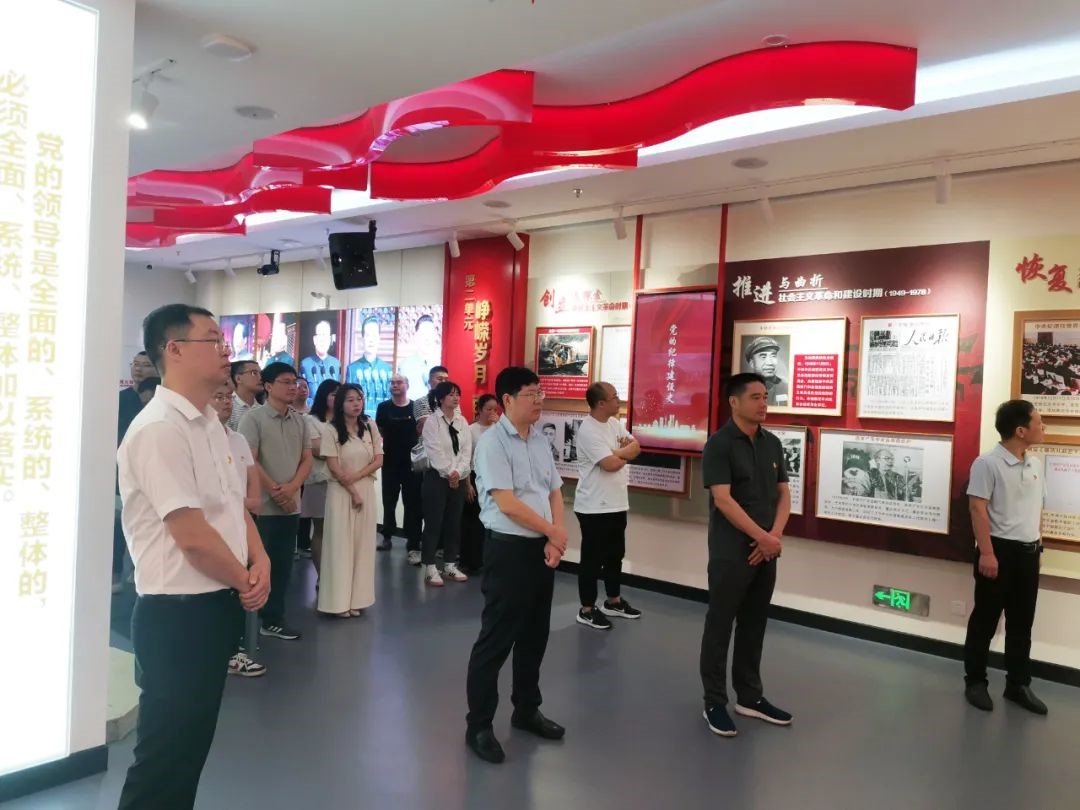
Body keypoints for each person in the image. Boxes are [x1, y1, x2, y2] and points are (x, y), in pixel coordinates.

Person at [116, 304, 270, 809]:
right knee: (163, 760)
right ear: (175, 349)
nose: (226, 350)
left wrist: (261, 559)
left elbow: (232, 506)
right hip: (176, 615)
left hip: (212, 607)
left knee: (188, 754)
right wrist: (246, 580)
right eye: (212, 339)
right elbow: (192, 535)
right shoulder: (160, 428)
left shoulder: (210, 425)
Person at [465, 367, 567, 764]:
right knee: (496, 640)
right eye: (530, 394)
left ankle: (526, 709)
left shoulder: (539, 439)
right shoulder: (492, 443)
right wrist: (552, 532)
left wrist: (555, 535)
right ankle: (479, 725)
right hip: (508, 551)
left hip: (541, 548)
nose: (539, 400)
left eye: (540, 392)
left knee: (535, 636)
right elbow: (506, 502)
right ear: (507, 400)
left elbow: (554, 490)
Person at [700, 372, 792, 738]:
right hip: (731, 550)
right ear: (734, 402)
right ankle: (714, 701)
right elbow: (723, 500)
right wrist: (762, 538)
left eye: (765, 396)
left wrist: (774, 537)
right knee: (720, 625)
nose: (763, 403)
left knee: (755, 623)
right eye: (755, 397)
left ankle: (750, 696)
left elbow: (784, 494)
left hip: (766, 549)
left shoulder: (772, 443)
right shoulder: (719, 444)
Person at [963, 399, 1048, 715]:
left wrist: (1039, 544)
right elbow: (977, 509)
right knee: (985, 621)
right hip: (997, 552)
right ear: (1021, 430)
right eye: (1038, 422)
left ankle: (1017, 685)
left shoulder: (1034, 464)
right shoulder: (987, 464)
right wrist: (986, 552)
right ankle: (975, 681)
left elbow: (1037, 508)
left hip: (1028, 554)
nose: (1043, 427)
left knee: (1022, 623)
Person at [238, 362, 313, 641]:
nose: (293, 387)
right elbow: (250, 460)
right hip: (264, 507)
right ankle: (246, 624)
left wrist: (291, 489)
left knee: (283, 565)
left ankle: (273, 619)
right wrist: (275, 491)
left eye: (295, 382)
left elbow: (307, 459)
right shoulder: (254, 419)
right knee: (257, 565)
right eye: (286, 382)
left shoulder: (300, 420)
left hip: (291, 505)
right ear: (268, 386)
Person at [210, 380, 268, 679]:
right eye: (218, 397)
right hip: (214, 528)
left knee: (240, 588)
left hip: (240, 522)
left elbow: (252, 483)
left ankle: (234, 651)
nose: (225, 402)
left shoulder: (237, 439)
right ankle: (222, 650)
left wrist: (247, 502)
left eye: (227, 397)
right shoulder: (200, 440)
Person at [574, 382, 642, 631]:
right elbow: (610, 465)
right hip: (594, 506)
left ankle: (613, 601)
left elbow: (636, 447)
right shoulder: (588, 430)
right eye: (614, 397)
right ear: (601, 403)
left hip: (617, 502)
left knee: (615, 555)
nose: (619, 401)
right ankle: (587, 609)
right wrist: (621, 453)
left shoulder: (614, 424)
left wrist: (616, 452)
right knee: (592, 560)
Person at [319, 384, 384, 616]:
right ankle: (337, 603)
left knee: (363, 546)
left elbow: (378, 460)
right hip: (340, 492)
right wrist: (352, 490)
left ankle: (358, 600)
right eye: (350, 400)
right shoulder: (330, 429)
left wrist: (356, 479)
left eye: (359, 399)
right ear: (340, 403)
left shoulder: (369, 425)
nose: (356, 404)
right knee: (340, 546)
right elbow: (334, 465)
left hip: (364, 489)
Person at [420, 380, 472, 586]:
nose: (455, 397)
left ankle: (450, 564)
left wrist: (458, 472)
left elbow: (466, 451)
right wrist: (450, 473)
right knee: (433, 523)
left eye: (457, 394)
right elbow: (435, 452)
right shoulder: (432, 422)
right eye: (451, 394)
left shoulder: (462, 421)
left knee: (453, 522)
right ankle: (429, 566)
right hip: (437, 478)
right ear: (441, 398)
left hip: (457, 478)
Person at [375, 373, 421, 555]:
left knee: (412, 503)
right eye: (392, 382)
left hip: (412, 463)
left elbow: (421, 431)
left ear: (407, 385)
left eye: (399, 382)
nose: (395, 385)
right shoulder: (383, 407)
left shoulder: (415, 407)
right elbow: (379, 431)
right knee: (389, 501)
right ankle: (387, 536)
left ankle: (413, 542)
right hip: (390, 461)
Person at [301, 380, 339, 580]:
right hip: (319, 480)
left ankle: (337, 575)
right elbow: (317, 450)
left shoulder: (345, 420)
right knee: (321, 529)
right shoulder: (311, 420)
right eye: (333, 394)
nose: (337, 398)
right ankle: (322, 576)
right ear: (324, 396)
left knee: (339, 530)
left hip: (342, 481)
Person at [461, 394, 500, 573]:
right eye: (488, 409)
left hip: (494, 478)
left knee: (491, 521)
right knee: (472, 521)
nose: (492, 412)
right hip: (474, 476)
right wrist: (467, 484)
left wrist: (499, 426)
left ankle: (487, 560)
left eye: (495, 409)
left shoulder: (499, 429)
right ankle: (469, 560)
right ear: (479, 410)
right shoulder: (471, 430)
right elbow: (466, 458)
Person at [346, 316, 393, 416]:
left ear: (379, 339)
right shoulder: (352, 369)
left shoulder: (387, 369)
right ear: (362, 339)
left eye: (374, 335)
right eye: (368, 335)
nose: (371, 340)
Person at [398, 313, 441, 398]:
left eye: (430, 333)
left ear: (435, 336)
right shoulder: (405, 365)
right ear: (416, 336)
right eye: (423, 334)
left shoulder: (440, 365)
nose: (427, 339)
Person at [300, 319, 341, 399]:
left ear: (330, 339)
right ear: (314, 340)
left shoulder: (336, 364)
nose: (322, 339)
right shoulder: (305, 364)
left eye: (325, 335)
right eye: (320, 335)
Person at [743, 337, 789, 407]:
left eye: (773, 356)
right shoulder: (743, 389)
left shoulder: (785, 387)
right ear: (752, 363)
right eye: (763, 357)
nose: (770, 362)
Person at [228, 359, 261, 431]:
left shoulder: (261, 408)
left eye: (261, 373)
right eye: (254, 373)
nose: (260, 378)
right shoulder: (227, 405)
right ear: (238, 379)